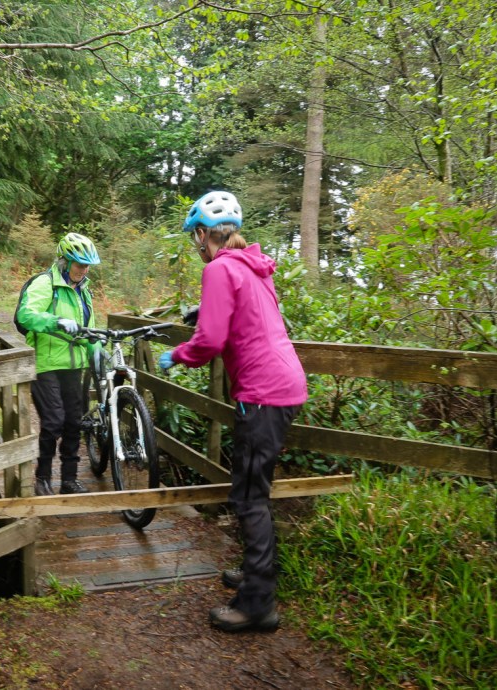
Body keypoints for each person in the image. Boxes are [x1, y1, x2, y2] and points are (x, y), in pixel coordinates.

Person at [158, 191, 308, 632]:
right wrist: (205, 311)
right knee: (255, 489)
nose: (196, 245)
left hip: (262, 392)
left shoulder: (219, 268)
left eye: (195, 237)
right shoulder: (253, 266)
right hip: (284, 384)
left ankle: (257, 604)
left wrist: (178, 354)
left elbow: (209, 342)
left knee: (248, 497)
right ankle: (255, 572)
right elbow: (249, 315)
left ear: (204, 235)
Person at [15, 232, 101, 496]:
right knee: (53, 421)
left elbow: (89, 331)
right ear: (64, 261)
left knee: (74, 422)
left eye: (87, 266)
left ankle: (69, 479)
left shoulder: (83, 292)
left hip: (73, 366)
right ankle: (42, 477)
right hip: (46, 363)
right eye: (79, 264)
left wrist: (98, 353)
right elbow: (25, 315)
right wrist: (56, 321)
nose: (83, 270)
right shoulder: (45, 284)